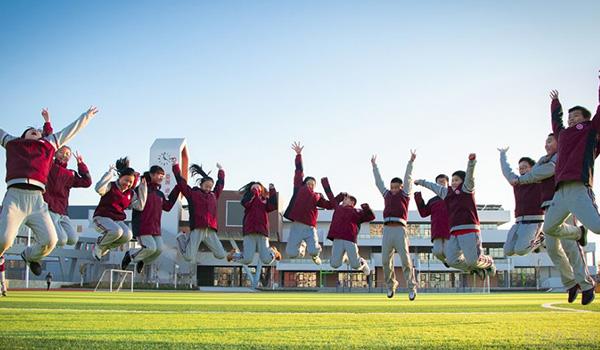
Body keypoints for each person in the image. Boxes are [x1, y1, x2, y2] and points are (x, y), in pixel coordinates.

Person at [0, 106, 99, 275]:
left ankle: (29, 255)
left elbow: (70, 130)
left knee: (51, 240)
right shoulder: (12, 143)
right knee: (5, 240)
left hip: (38, 200)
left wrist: (86, 116)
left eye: (38, 132)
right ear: (22, 136)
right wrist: (46, 123)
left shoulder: (47, 146)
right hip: (15, 196)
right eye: (31, 130)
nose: (35, 131)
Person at [371, 151, 418, 300]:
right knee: (385, 260)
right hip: (387, 230)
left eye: (396, 187)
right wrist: (374, 166)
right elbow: (379, 183)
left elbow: (408, 178)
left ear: (401, 187)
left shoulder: (405, 195)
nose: (394, 189)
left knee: (405, 260)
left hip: (400, 229)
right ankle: (391, 285)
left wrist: (410, 162)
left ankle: (412, 287)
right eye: (392, 187)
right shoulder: (387, 195)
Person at [283, 142, 336, 265]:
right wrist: (298, 155)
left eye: (313, 184)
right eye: (309, 183)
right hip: (297, 226)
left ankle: (315, 255)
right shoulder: (298, 188)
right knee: (291, 253)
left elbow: (329, 205)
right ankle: (302, 246)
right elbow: (299, 171)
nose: (311, 185)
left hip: (310, 227)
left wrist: (338, 197)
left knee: (313, 250)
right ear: (303, 184)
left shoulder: (317, 196)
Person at [122, 166, 180, 273]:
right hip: (142, 225)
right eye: (159, 175)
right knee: (150, 248)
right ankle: (130, 255)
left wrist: (177, 189)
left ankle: (142, 260)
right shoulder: (141, 188)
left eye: (162, 176)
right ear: (152, 174)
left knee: (159, 249)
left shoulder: (160, 194)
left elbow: (167, 207)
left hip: (155, 227)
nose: (161, 177)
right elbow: (131, 198)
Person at [92, 157, 147, 261]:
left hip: (116, 220)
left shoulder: (130, 193)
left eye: (130, 182)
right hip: (101, 218)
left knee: (128, 235)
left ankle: (104, 247)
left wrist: (143, 189)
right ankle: (98, 246)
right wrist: (109, 174)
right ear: (120, 177)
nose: (127, 184)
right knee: (117, 231)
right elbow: (98, 189)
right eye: (126, 180)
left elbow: (140, 206)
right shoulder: (111, 186)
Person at [414, 174, 451, 265]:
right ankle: (445, 262)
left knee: (448, 252)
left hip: (449, 231)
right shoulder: (433, 201)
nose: (440, 185)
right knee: (437, 252)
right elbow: (423, 213)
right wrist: (418, 197)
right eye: (438, 183)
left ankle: (461, 263)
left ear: (448, 184)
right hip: (437, 230)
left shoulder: (452, 198)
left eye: (443, 182)